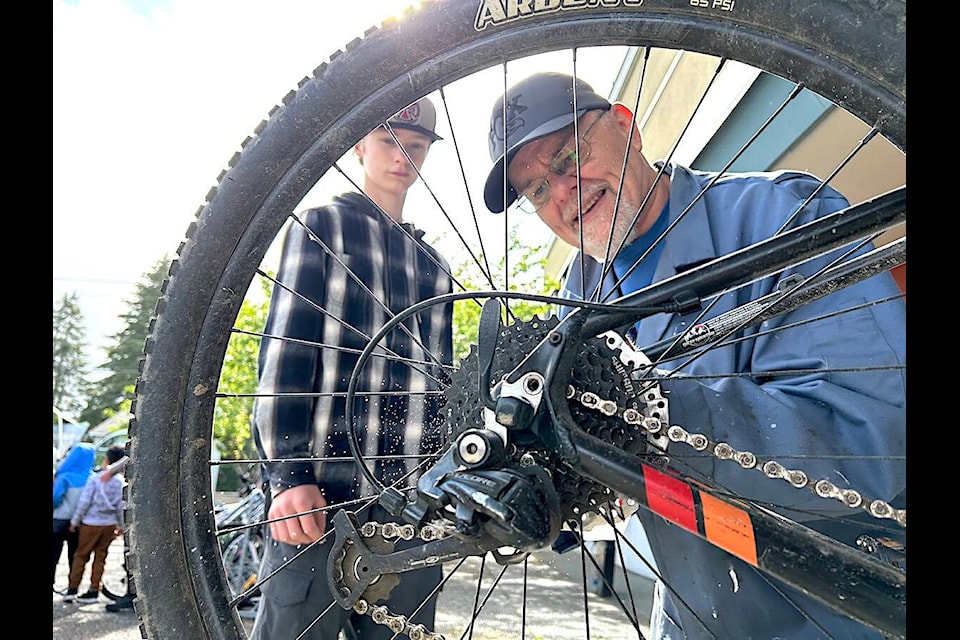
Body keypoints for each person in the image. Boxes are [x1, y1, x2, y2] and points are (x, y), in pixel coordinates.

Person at [482, 72, 906, 639]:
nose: (563, 192)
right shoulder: (575, 300)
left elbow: (870, 433)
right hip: (691, 616)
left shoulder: (782, 215)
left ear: (628, 128)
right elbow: (596, 470)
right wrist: (542, 491)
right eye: (536, 191)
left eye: (570, 155)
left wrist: (648, 414)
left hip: (840, 617)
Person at [250, 97, 453, 639]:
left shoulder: (437, 267)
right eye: (389, 142)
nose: (401, 158)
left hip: (411, 508)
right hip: (319, 497)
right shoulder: (321, 226)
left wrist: (444, 485)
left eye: (416, 147)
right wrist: (288, 474)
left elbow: (442, 387)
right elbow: (285, 350)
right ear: (361, 145)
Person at [63, 445, 126, 604]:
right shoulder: (120, 483)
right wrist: (121, 526)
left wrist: (75, 522)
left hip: (90, 523)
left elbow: (84, 502)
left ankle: (72, 589)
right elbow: (120, 507)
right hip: (109, 525)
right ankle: (93, 591)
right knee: (100, 557)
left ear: (107, 460)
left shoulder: (95, 479)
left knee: (81, 555)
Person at [53, 442, 95, 593]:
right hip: (80, 523)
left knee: (54, 554)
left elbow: (55, 497)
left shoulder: (64, 476)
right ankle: (72, 587)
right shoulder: (92, 478)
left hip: (59, 520)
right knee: (75, 555)